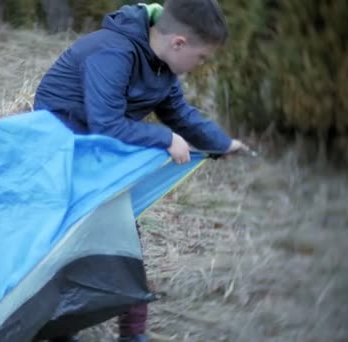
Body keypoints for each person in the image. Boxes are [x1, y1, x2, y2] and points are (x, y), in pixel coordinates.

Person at [33, 1, 248, 341]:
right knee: (65, 251)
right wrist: (164, 138)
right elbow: (106, 124)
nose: (199, 65)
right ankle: (59, 332)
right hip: (57, 158)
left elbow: (179, 112)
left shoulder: (160, 67)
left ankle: (133, 335)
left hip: (98, 161)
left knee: (123, 243)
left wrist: (222, 143)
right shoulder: (112, 52)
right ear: (178, 42)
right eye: (202, 57)